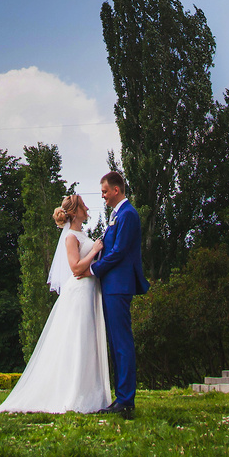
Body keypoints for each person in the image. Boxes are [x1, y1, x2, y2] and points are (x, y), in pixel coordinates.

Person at [0, 192, 111, 414]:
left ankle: (90, 392)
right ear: (74, 212)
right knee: (78, 341)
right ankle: (75, 394)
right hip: (79, 293)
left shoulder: (81, 234)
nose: (87, 209)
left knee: (88, 341)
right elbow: (75, 268)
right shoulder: (70, 238)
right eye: (83, 206)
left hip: (89, 291)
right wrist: (95, 251)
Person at [86, 169, 148, 418]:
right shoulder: (117, 215)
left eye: (104, 191)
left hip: (119, 286)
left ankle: (126, 401)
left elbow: (119, 251)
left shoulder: (128, 214)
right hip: (111, 286)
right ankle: (121, 397)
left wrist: (94, 269)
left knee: (122, 343)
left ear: (116, 189)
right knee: (116, 342)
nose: (102, 196)